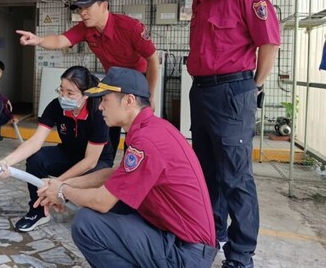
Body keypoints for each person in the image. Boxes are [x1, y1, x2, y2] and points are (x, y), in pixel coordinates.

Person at [168, 0, 281, 268]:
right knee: (207, 172)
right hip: (201, 91)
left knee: (235, 176)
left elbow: (269, 42)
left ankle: (241, 254)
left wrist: (253, 87)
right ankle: (211, 235)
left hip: (233, 91)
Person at [36, 67, 217, 268]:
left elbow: (102, 201)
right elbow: (115, 175)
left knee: (87, 224)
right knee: (110, 204)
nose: (100, 107)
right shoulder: (150, 128)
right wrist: (62, 184)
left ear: (129, 101)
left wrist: (62, 191)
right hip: (179, 239)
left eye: (106, 99)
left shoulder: (147, 141)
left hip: (185, 252)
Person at [16, 0, 160, 157]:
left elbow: (153, 59)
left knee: (137, 128)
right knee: (108, 121)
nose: (82, 12)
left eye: (87, 7)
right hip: (113, 82)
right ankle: (104, 164)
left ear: (103, 6)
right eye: (80, 8)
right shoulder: (85, 28)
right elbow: (60, 40)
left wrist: (150, 95)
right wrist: (38, 40)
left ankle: (136, 166)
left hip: (138, 81)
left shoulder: (130, 27)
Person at [0, 65, 113, 232]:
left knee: (90, 184)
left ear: (86, 94)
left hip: (96, 164)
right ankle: (38, 212)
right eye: (61, 90)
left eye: (70, 93)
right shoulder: (56, 106)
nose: (63, 96)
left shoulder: (97, 113)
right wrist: (6, 162)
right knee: (36, 159)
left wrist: (58, 185)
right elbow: (35, 141)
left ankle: (88, 216)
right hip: (68, 154)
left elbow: (90, 161)